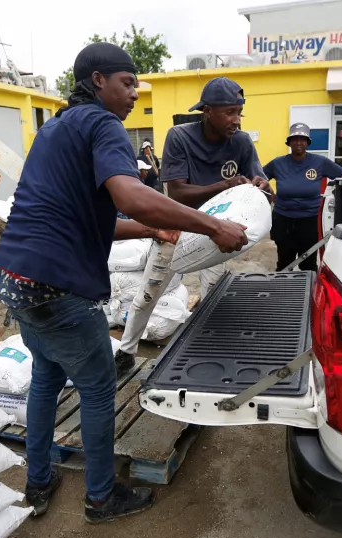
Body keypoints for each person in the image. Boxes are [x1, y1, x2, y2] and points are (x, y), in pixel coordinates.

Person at [0, 43, 248, 524]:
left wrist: (152, 229)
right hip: (58, 286)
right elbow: (134, 195)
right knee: (97, 387)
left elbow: (96, 220)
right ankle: (101, 498)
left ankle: (39, 481)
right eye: (127, 83)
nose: (134, 93)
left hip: (14, 277)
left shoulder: (56, 129)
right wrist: (212, 226)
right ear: (97, 82)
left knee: (46, 378)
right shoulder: (103, 124)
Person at [113, 76, 271, 375]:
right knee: (149, 292)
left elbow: (263, 186)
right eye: (229, 112)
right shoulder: (180, 136)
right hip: (175, 227)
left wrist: (261, 186)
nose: (236, 120)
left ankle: (207, 356)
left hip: (218, 232)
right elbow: (177, 193)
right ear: (207, 110)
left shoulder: (242, 142)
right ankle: (127, 350)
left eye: (240, 112)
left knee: (213, 293)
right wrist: (226, 183)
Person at [263, 123, 342, 271]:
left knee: (308, 263)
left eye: (302, 139)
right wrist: (269, 192)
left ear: (307, 142)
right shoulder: (278, 163)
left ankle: (308, 293)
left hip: (310, 220)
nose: (298, 142)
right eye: (295, 139)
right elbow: (260, 178)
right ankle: (283, 291)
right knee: (284, 261)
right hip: (283, 219)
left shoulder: (320, 162)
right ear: (289, 142)